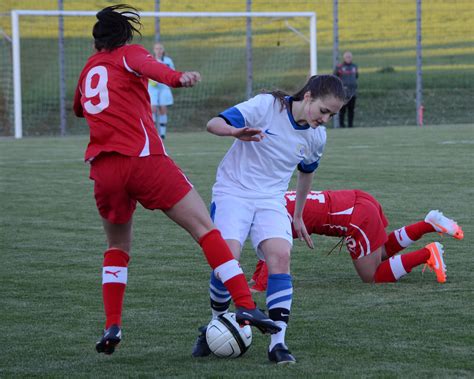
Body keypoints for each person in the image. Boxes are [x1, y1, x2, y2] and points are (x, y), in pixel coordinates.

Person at [73, 4, 280, 356]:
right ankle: (244, 302)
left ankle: (113, 324)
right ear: (125, 38)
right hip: (143, 161)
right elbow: (151, 68)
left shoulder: (88, 69)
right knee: (205, 229)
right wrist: (177, 77)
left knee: (117, 248)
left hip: (104, 171)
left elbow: (80, 107)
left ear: (96, 43)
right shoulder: (130, 54)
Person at [191, 75, 346, 364]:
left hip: (270, 198)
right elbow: (213, 123)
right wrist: (235, 132)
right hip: (232, 191)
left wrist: (298, 214)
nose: (325, 119)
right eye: (324, 111)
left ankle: (278, 343)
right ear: (309, 97)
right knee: (227, 259)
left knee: (281, 256)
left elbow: (307, 171)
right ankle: (217, 322)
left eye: (332, 115)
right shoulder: (266, 107)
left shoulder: (316, 136)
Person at [249, 190, 464, 291]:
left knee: (372, 275)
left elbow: (274, 257)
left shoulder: (268, 216)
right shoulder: (270, 200)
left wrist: (257, 286)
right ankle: (430, 224)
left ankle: (427, 253)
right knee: (379, 253)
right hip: (358, 198)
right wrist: (254, 278)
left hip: (356, 217)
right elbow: (268, 253)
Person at [148, 42, 174, 139]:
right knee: (153, 109)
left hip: (164, 87)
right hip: (152, 88)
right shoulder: (150, 60)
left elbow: (172, 73)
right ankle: (153, 133)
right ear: (154, 50)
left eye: (160, 49)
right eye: (157, 49)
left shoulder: (168, 61)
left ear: (163, 50)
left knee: (163, 109)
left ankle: (162, 134)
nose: (158, 51)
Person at [334, 51, 358, 128]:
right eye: (347, 57)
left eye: (350, 57)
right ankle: (342, 125)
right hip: (343, 93)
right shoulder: (340, 67)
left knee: (351, 110)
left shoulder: (354, 66)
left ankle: (350, 125)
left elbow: (356, 76)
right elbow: (334, 78)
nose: (348, 58)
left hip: (352, 92)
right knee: (342, 110)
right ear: (344, 58)